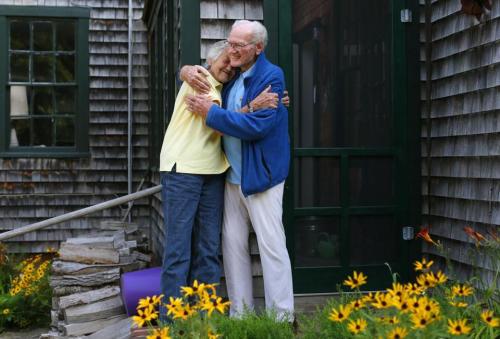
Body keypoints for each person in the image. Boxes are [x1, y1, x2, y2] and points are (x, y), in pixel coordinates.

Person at [183, 20, 294, 321]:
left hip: (262, 178)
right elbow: (234, 111)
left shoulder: (272, 75)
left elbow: (257, 127)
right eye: (230, 43)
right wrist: (184, 70)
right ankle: (240, 316)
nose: (231, 50)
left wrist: (211, 113)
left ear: (258, 48)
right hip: (232, 178)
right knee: (232, 250)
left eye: (239, 45)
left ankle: (282, 319)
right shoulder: (232, 78)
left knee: (271, 248)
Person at [159, 40, 278, 316]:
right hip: (184, 172)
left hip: (213, 173)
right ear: (209, 62)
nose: (229, 66)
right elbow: (220, 121)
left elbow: (225, 116)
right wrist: (254, 107)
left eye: (232, 63)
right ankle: (172, 322)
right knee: (178, 250)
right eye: (224, 60)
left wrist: (271, 101)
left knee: (209, 248)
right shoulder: (199, 78)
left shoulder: (227, 89)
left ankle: (205, 318)